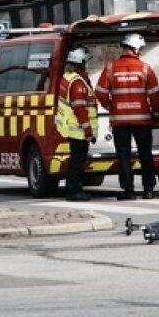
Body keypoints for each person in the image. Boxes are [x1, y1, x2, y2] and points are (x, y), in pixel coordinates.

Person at [95, 32, 159, 200]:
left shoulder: (111, 68)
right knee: (145, 154)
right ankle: (148, 189)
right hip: (142, 120)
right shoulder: (145, 68)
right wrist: (156, 114)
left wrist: (110, 105)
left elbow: (100, 92)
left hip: (120, 121)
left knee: (124, 155)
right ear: (137, 49)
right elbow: (154, 94)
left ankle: (128, 190)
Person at [56, 47, 97, 202]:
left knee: (76, 160)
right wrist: (87, 129)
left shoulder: (68, 77)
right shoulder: (77, 82)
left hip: (72, 127)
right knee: (76, 161)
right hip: (78, 129)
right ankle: (73, 191)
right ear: (80, 63)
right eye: (85, 62)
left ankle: (74, 188)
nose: (86, 65)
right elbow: (79, 107)